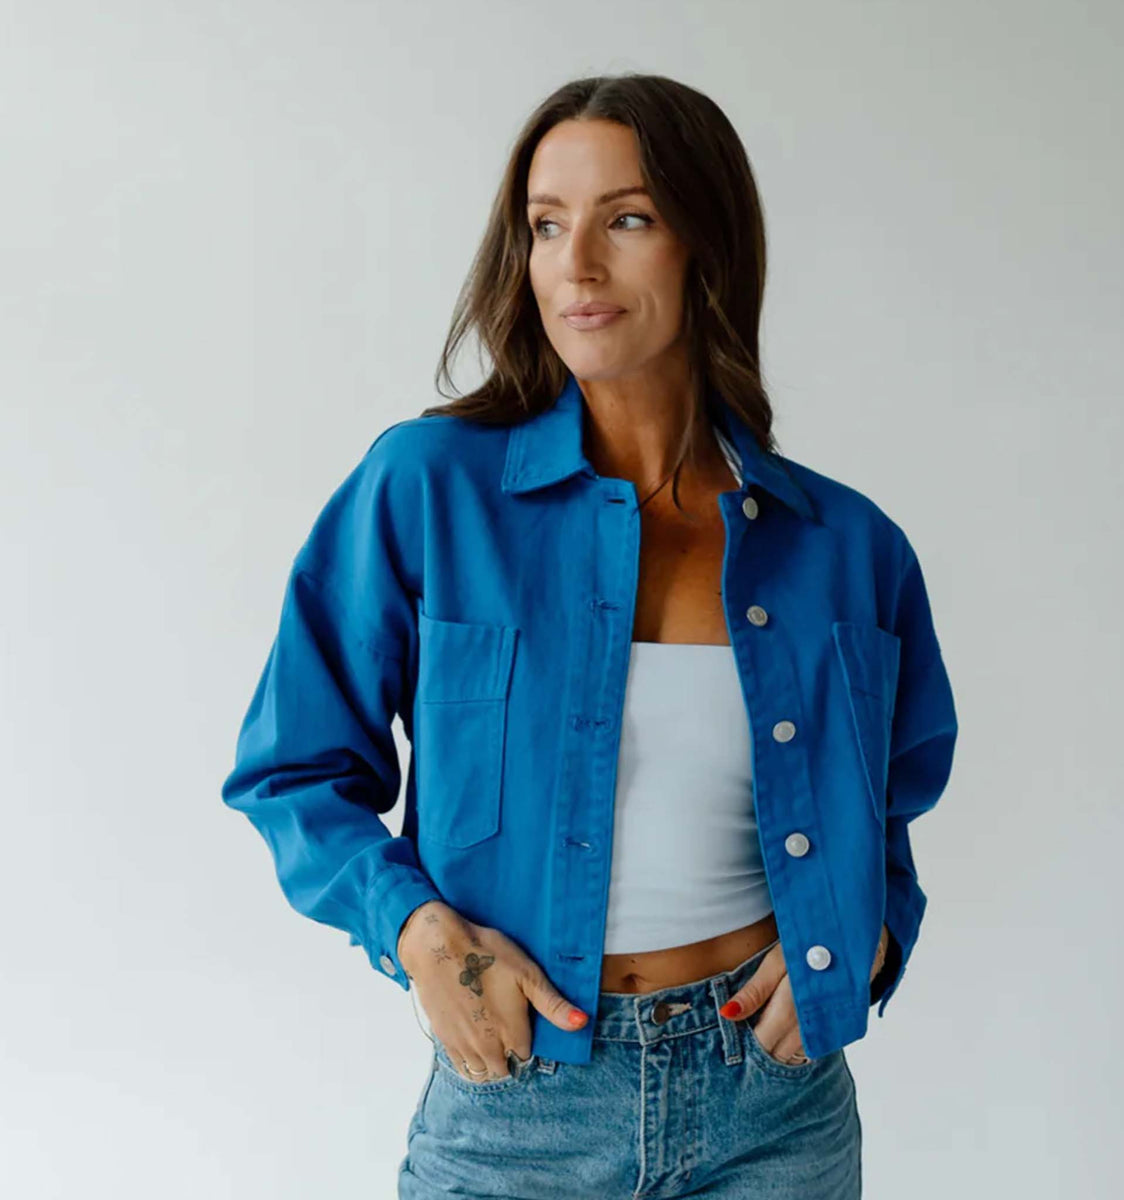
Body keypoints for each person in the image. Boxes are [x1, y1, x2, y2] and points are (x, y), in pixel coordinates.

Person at [221, 72, 957, 1199]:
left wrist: (871, 936)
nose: (576, 264)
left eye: (626, 219)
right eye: (546, 225)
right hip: (520, 1098)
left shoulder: (848, 546)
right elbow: (295, 769)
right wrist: (418, 936)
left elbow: (890, 805)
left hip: (776, 1113)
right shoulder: (426, 489)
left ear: (704, 244)